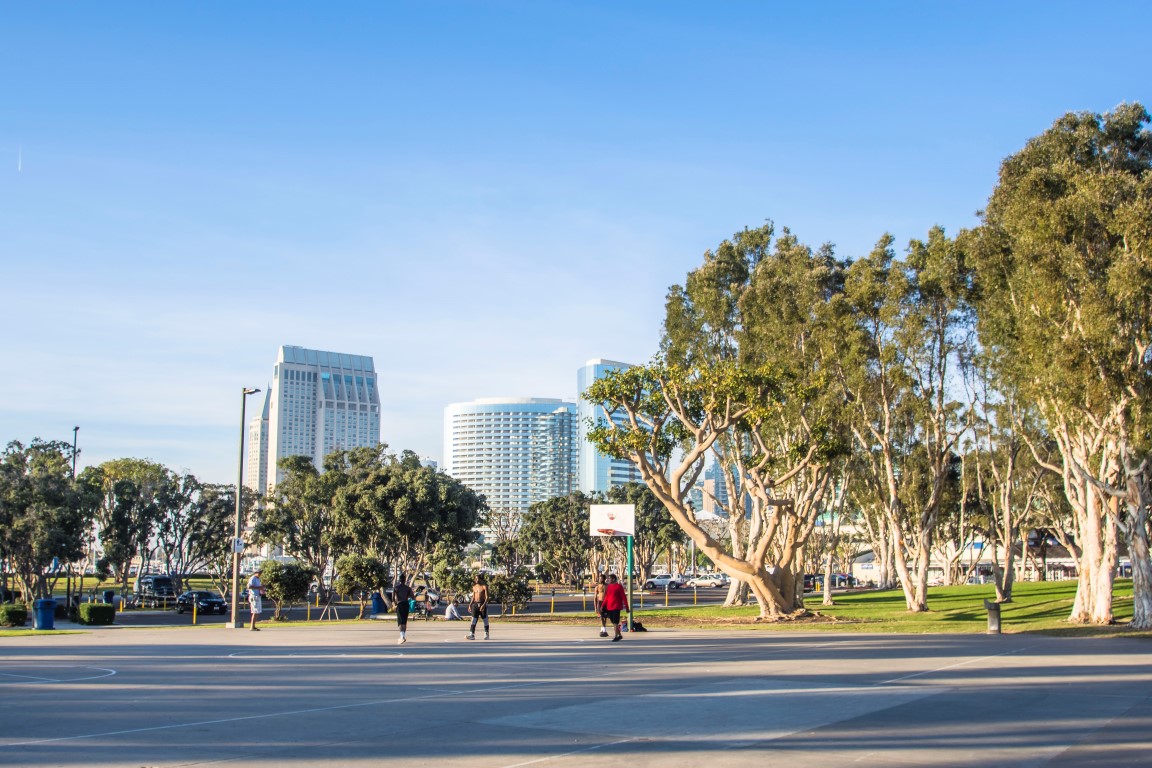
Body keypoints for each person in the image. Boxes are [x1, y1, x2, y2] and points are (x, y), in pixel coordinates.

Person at [602, 573, 629, 642]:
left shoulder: (619, 586)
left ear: (613, 579)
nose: (608, 580)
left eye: (610, 578)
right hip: (609, 607)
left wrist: (626, 606)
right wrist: (603, 605)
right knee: (613, 622)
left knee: (615, 622)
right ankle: (619, 635)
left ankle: (616, 636)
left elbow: (623, 597)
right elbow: (607, 597)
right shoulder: (609, 587)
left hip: (616, 606)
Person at [466, 573, 490, 640]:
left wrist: (483, 605)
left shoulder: (484, 586)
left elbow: (487, 597)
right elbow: (473, 597)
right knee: (473, 620)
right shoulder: (474, 587)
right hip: (475, 605)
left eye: (477, 578)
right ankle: (471, 634)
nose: (476, 580)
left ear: (480, 579)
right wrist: (470, 605)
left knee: (485, 620)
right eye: (475, 578)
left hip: (482, 604)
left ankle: (486, 633)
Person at [393, 573, 414, 644]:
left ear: (399, 580)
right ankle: (403, 636)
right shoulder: (408, 588)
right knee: (404, 621)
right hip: (406, 604)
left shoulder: (396, 588)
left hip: (399, 604)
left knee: (400, 621)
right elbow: (413, 597)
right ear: (405, 580)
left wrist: (395, 604)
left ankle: (401, 636)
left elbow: (393, 598)